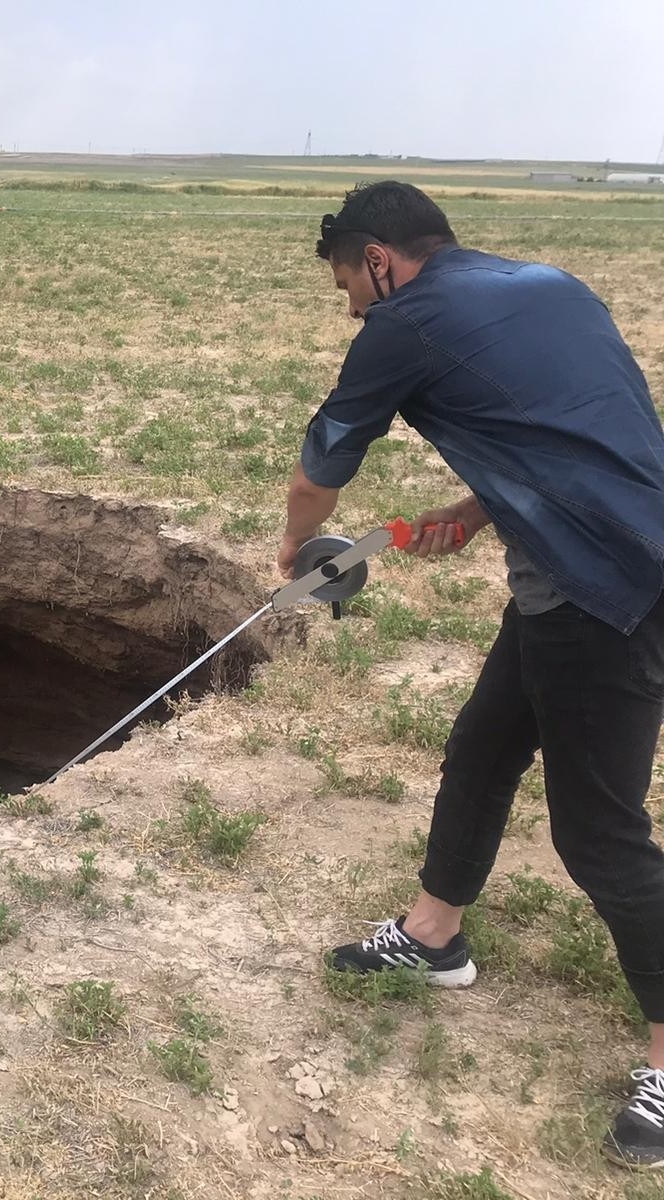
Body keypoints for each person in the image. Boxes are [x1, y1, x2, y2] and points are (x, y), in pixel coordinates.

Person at [277, 181, 664, 1169]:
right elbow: (570, 431)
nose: (352, 309)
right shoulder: (549, 287)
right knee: (484, 746)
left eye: (345, 287)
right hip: (591, 562)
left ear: (377, 259)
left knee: (600, 836)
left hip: (604, 592)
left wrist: (299, 557)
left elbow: (324, 464)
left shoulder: (401, 323)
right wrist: (479, 508)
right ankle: (434, 936)